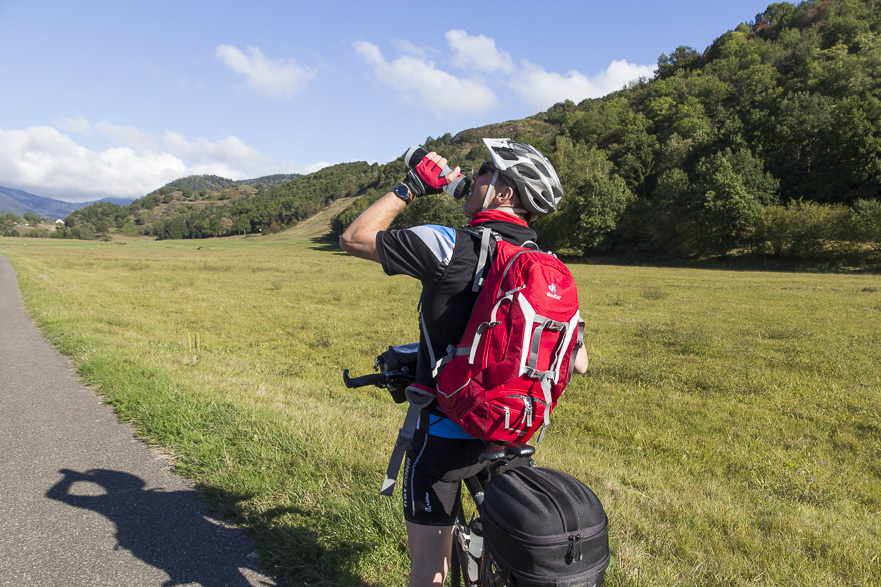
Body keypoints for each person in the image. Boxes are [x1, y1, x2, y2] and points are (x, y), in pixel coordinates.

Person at [340, 138, 589, 586]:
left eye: (482, 171)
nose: (471, 177)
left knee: (428, 574)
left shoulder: (448, 244)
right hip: (512, 434)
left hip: (445, 437)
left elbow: (355, 237)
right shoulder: (548, 268)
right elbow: (580, 362)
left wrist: (411, 186)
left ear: (503, 192)